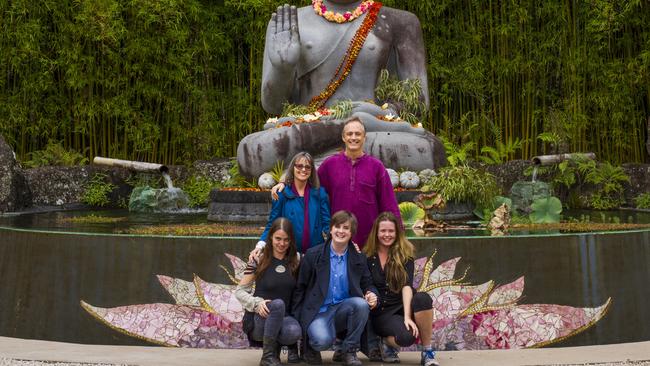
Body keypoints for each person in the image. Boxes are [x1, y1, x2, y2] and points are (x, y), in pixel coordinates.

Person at [273, 118, 401, 247]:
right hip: (338, 240)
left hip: (368, 241)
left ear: (364, 137)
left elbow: (389, 203)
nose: (353, 137)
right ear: (343, 137)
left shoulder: (376, 167)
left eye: (358, 134)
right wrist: (285, 182)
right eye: (349, 134)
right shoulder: (330, 164)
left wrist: (399, 236)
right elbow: (308, 183)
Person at [291, 210, 379, 366]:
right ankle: (312, 346)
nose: (341, 231)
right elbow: (300, 288)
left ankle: (349, 350)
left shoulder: (358, 258)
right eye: (337, 226)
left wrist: (372, 294)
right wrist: (299, 322)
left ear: (352, 233)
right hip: (318, 312)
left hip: (343, 310)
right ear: (330, 229)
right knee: (321, 341)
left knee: (361, 304)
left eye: (346, 228)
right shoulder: (313, 255)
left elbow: (368, 284)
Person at [363, 212, 440, 366]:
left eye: (391, 231)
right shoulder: (367, 256)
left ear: (397, 233)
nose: (387, 235)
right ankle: (385, 342)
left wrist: (407, 317)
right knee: (406, 337)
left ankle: (427, 352)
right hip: (382, 312)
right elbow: (365, 283)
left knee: (423, 298)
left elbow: (406, 285)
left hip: (402, 305)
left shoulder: (405, 255)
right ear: (376, 233)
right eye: (383, 231)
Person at [235, 218, 302, 366]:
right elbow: (239, 291)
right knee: (277, 304)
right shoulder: (258, 258)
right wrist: (256, 303)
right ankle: (268, 356)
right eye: (278, 238)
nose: (282, 244)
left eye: (286, 240)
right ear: (270, 237)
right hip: (259, 318)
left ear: (291, 240)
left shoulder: (296, 259)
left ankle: (275, 352)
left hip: (284, 318)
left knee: (294, 332)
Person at [256, 152, 331, 256]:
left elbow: (327, 224)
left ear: (312, 171)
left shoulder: (320, 194)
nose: (303, 170)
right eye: (299, 166)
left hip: (315, 254)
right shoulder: (281, 194)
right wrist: (260, 245)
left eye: (308, 167)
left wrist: (343, 243)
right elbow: (272, 224)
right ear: (293, 168)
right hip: (288, 255)